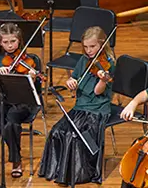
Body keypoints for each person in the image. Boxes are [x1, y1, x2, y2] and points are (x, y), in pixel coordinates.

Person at [37, 26, 115, 185]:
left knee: (73, 136)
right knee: (57, 131)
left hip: (97, 110)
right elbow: (74, 79)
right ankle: (58, 170)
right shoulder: (83, 60)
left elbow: (98, 92)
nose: (89, 50)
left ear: (102, 43)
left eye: (92, 46)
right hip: (80, 107)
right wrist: (70, 82)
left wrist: (102, 80)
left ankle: (73, 174)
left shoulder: (109, 64)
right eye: (86, 47)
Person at [0, 22, 43, 178]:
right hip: (0, 101)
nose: (9, 46)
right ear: (0, 42)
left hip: (22, 103)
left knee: (11, 121)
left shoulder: (29, 61)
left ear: (19, 40)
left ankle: (16, 160)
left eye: (13, 41)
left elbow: (35, 90)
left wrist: (32, 79)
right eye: (5, 42)